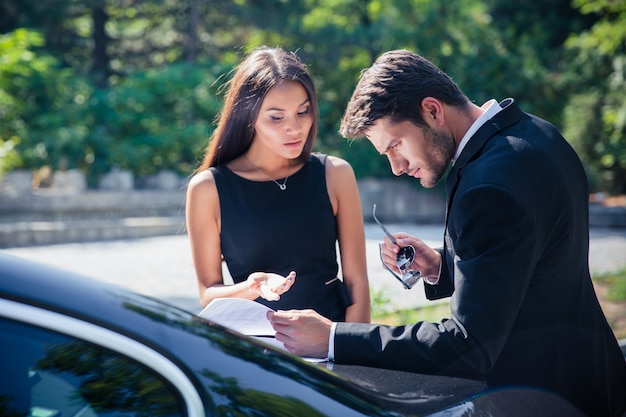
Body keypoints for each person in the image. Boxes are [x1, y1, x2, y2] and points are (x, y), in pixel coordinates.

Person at [267, 49, 626, 416]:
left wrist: (331, 338)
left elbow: (466, 347)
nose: (396, 167)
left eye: (395, 145)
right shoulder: (537, 134)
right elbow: (530, 267)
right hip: (595, 376)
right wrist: (442, 267)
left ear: (432, 110)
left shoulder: (487, 188)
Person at [186, 46, 370, 323]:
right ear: (248, 116)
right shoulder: (208, 188)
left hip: (332, 343)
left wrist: (349, 349)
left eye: (303, 112)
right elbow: (208, 293)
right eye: (276, 117)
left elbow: (357, 284)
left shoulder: (335, 174)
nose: (294, 128)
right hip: (260, 348)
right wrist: (253, 287)